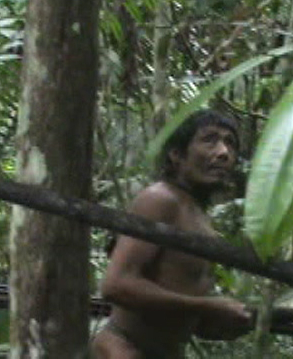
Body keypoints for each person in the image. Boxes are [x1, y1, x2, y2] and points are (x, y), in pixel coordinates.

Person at [91, 110, 252, 359]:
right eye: (209, 140)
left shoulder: (199, 217)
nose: (223, 152)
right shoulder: (161, 199)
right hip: (124, 350)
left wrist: (216, 321)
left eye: (230, 143)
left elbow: (174, 310)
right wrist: (206, 306)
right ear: (177, 155)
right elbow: (116, 285)